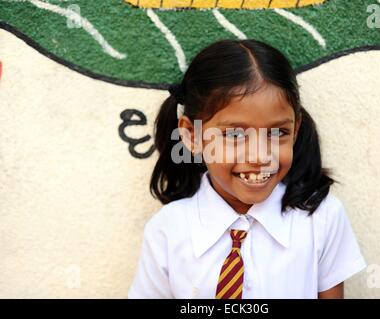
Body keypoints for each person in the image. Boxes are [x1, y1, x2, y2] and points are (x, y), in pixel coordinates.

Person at [128, 39, 366, 299]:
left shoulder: (322, 220)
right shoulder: (166, 231)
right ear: (192, 135)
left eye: (278, 132)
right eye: (234, 134)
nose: (259, 156)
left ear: (295, 130)